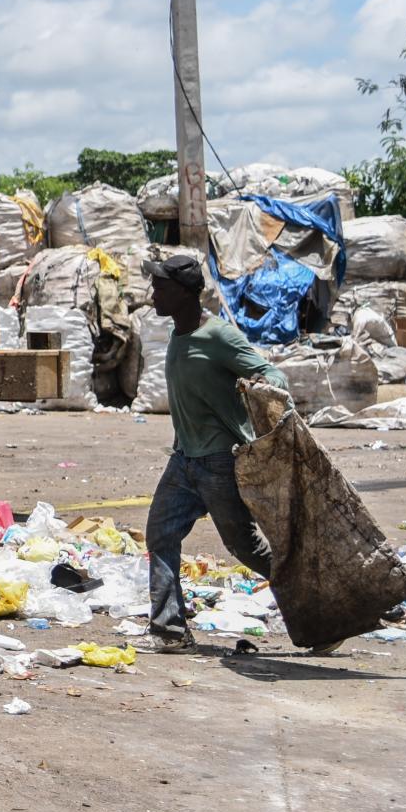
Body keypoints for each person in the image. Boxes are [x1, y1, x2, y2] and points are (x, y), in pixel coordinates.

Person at [142, 253, 289, 652]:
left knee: (245, 547)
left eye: (160, 287)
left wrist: (257, 387)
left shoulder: (219, 336)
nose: (152, 293)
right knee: (160, 533)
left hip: (220, 461)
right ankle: (170, 629)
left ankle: (317, 604)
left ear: (185, 293)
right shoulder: (178, 333)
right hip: (184, 460)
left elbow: (272, 373)